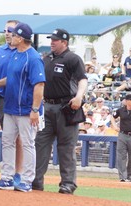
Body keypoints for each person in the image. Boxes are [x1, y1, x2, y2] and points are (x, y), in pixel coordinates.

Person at [32, 28, 88, 194]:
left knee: (66, 147)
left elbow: (83, 79)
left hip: (66, 107)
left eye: (55, 40)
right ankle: (36, 181)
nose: (52, 42)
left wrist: (79, 96)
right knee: (40, 144)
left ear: (64, 42)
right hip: (47, 105)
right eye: (51, 39)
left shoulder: (72, 58)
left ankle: (68, 183)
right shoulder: (46, 58)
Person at [0, 22, 45, 192]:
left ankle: (27, 180)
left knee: (28, 143)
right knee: (7, 142)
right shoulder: (15, 54)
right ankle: (7, 178)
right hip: (10, 107)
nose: (10, 37)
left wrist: (35, 110)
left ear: (21, 38)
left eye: (13, 34)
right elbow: (11, 79)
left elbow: (39, 86)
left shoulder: (33, 57)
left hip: (25, 109)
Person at [0, 19, 23, 185]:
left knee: (20, 138)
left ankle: (18, 173)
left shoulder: (24, 51)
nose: (7, 33)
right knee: (8, 137)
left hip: (20, 99)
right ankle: (8, 174)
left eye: (10, 30)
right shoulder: (0, 51)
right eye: (5, 30)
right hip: (4, 99)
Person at [110, 94, 131, 182]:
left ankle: (129, 175)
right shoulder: (121, 110)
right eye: (129, 100)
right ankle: (123, 176)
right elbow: (112, 117)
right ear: (126, 101)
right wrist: (114, 126)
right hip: (122, 134)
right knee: (121, 156)